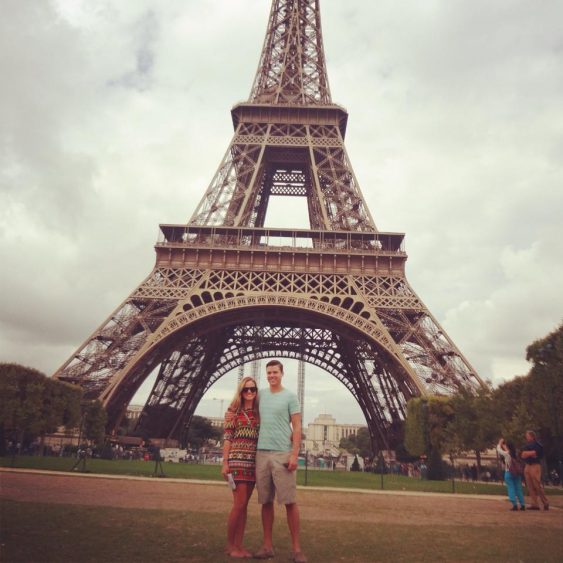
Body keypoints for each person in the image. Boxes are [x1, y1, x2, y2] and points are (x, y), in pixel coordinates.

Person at [253, 360, 306, 563]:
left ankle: (297, 549)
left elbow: (297, 427)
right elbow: (245, 408)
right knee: (265, 502)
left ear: (282, 373)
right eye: (269, 372)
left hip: (282, 454)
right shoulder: (261, 395)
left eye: (275, 372)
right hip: (262, 453)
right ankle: (267, 546)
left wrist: (294, 455)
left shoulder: (290, 397)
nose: (271, 375)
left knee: (290, 502)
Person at [222, 376, 260, 558]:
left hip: (253, 464)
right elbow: (227, 438)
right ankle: (230, 546)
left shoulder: (259, 414)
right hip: (237, 462)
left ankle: (239, 545)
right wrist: (224, 463)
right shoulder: (232, 412)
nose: (250, 392)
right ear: (241, 392)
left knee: (244, 506)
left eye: (253, 389)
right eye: (246, 389)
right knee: (239, 504)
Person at [520, 430, 549, 510]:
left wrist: (527, 453)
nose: (526, 437)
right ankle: (534, 504)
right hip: (527, 465)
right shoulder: (526, 445)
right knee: (530, 486)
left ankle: (545, 502)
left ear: (532, 436)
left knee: (537, 484)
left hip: (535, 466)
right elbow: (522, 455)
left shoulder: (537, 445)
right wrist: (529, 453)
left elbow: (535, 453)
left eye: (528, 436)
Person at [496, 438, 525, 511]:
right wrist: (504, 446)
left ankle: (514, 504)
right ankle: (522, 504)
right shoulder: (516, 453)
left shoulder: (507, 454)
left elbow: (499, 450)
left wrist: (500, 443)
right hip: (517, 473)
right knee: (518, 488)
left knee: (511, 488)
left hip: (509, 472)